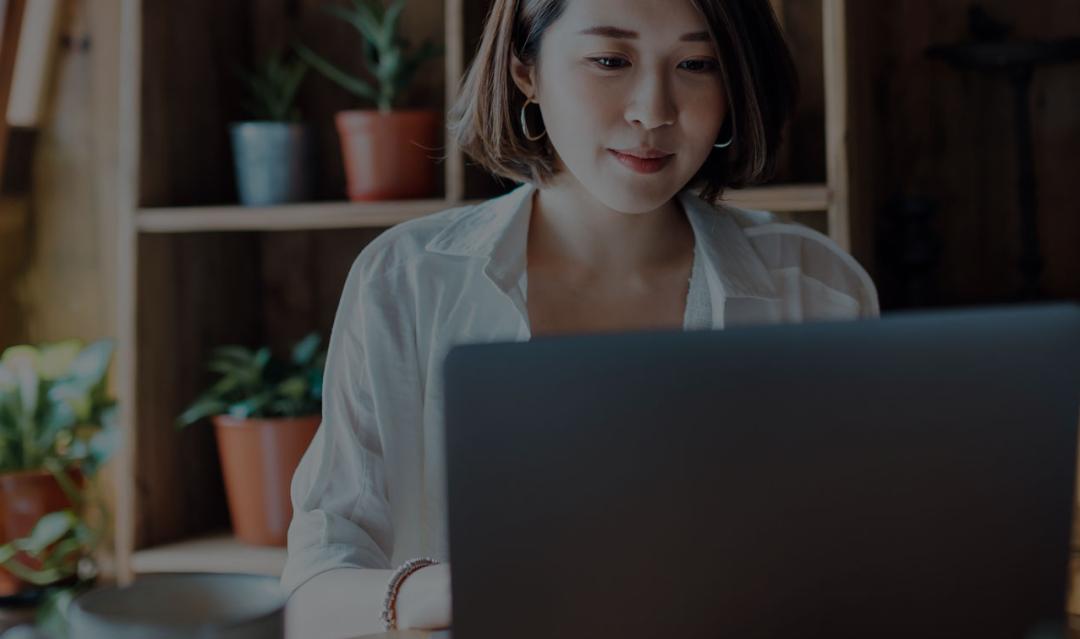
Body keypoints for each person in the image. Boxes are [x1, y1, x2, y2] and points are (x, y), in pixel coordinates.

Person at [283, 0, 879, 636]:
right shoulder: (407, 280)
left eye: (698, 63)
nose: (654, 110)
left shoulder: (818, 292)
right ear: (525, 72)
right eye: (610, 60)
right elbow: (315, 593)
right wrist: (470, 586)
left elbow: (870, 566)